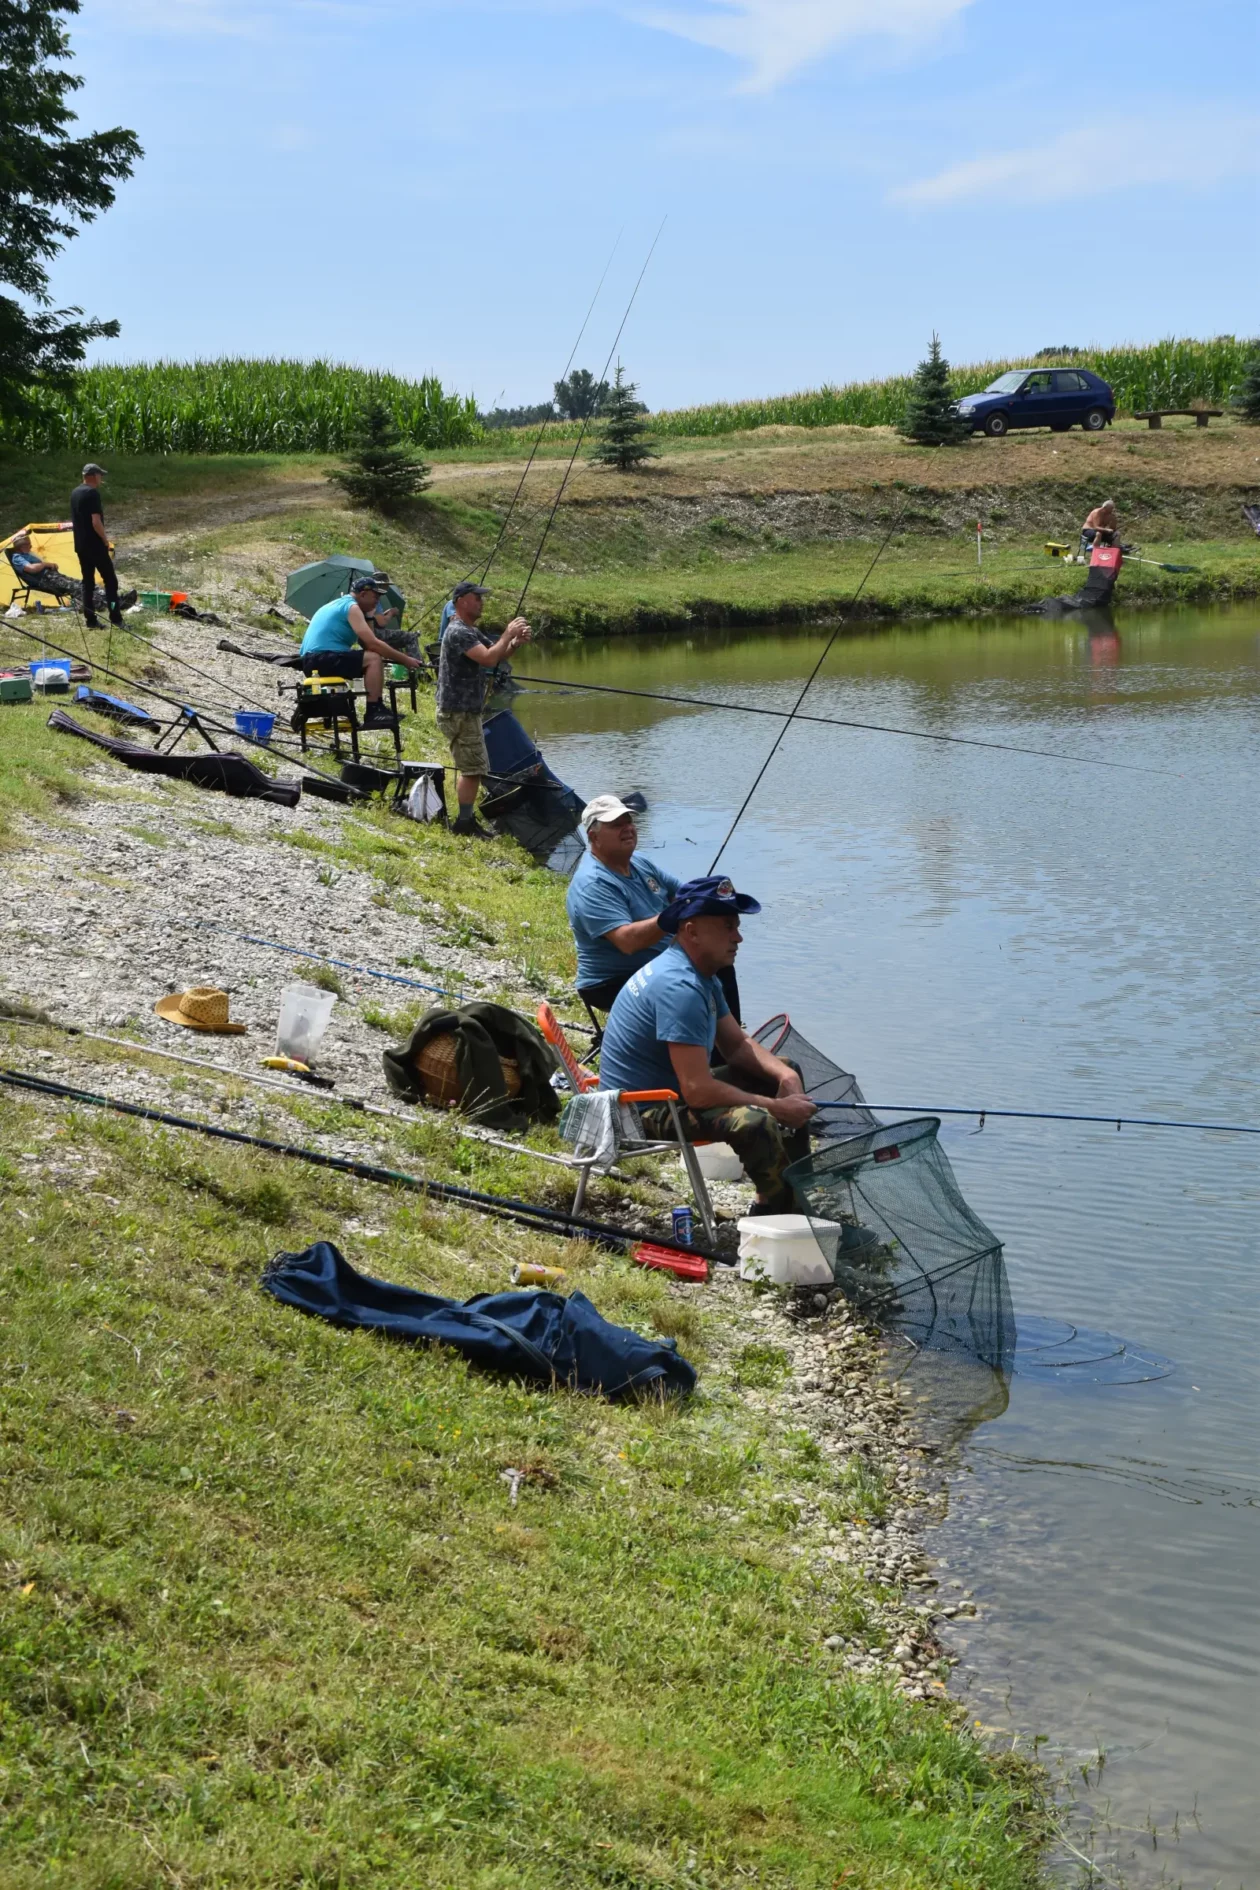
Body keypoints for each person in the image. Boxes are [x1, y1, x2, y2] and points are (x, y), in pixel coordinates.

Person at [598, 876, 815, 1216]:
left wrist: (786, 1078)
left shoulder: (700, 973)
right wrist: (776, 1107)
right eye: (727, 927)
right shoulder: (680, 987)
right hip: (639, 1111)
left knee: (784, 1070)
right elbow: (698, 1091)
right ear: (692, 931)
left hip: (669, 1093)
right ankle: (782, 1212)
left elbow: (737, 1045)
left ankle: (798, 1189)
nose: (738, 937)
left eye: (737, 926)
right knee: (754, 1120)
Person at [567, 796, 681, 1011]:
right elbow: (627, 942)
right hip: (611, 981)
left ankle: (726, 1031)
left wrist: (710, 894)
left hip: (658, 966)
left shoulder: (640, 861)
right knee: (689, 989)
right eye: (616, 825)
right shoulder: (593, 882)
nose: (627, 828)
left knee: (715, 959)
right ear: (594, 837)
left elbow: (682, 893)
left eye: (629, 822)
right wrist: (673, 915)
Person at [436, 580, 530, 838]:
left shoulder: (470, 630)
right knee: (472, 769)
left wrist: (515, 642)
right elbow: (488, 659)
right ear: (461, 601)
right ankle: (464, 823)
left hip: (466, 711)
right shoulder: (458, 631)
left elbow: (496, 654)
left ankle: (466, 819)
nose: (481, 602)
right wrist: (508, 633)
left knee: (473, 767)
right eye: (477, 597)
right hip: (458, 711)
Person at [298, 576, 424, 731]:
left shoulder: (341, 603)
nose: (377, 601)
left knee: (372, 656)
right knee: (374, 659)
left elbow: (366, 643)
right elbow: (373, 644)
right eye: (375, 596)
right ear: (363, 594)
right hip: (321, 658)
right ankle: (374, 710)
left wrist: (370, 616)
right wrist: (405, 659)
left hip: (312, 659)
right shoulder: (352, 607)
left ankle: (376, 708)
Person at [6, 530, 134, 614]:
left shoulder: (28, 554)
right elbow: (31, 569)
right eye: (28, 544)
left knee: (86, 584)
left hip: (52, 576)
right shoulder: (17, 557)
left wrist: (51, 566)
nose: (30, 546)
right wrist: (46, 564)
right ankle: (109, 605)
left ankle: (117, 600)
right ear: (21, 547)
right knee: (78, 588)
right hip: (45, 580)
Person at [70, 464, 126, 629]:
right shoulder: (92, 493)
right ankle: (115, 617)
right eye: (100, 475)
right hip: (95, 545)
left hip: (81, 545)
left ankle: (90, 620)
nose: (101, 478)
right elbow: (96, 521)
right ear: (93, 476)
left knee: (87, 583)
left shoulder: (75, 492)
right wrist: (105, 540)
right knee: (111, 582)